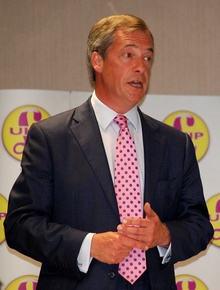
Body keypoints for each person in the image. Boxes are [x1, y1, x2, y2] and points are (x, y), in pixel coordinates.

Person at [4, 14, 213, 290]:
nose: (141, 67)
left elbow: (199, 226)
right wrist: (88, 245)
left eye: (148, 58)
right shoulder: (51, 138)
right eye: (129, 55)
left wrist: (164, 235)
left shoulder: (176, 144)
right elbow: (20, 225)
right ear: (97, 61)